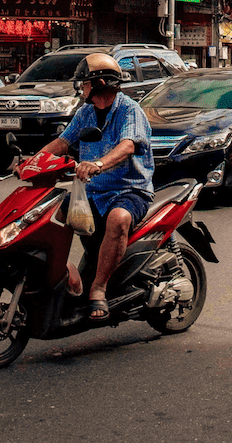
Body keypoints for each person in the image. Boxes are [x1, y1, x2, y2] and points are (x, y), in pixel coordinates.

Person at [27, 53, 154, 320]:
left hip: (129, 190)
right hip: (91, 191)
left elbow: (128, 145)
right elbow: (62, 143)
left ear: (98, 83)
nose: (81, 88)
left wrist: (98, 163)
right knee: (45, 218)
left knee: (118, 219)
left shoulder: (130, 110)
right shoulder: (85, 112)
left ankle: (98, 288)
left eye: (84, 83)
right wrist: (34, 162)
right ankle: (69, 275)